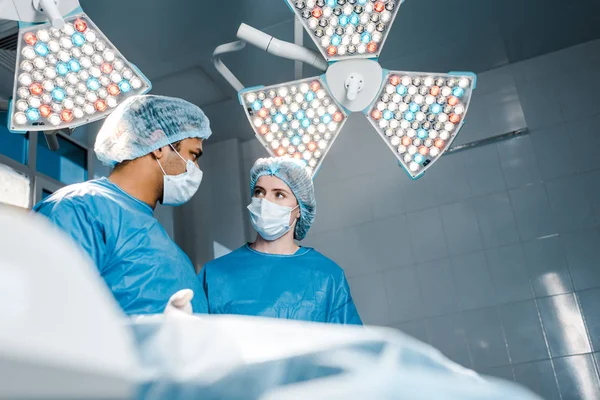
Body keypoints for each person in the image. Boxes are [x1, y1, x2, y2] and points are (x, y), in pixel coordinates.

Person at [34, 94, 211, 315]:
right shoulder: (78, 209)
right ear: (159, 145)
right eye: (193, 155)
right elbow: (48, 315)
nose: (196, 168)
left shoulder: (174, 254)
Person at [200, 157, 362, 325]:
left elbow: (351, 348)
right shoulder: (214, 274)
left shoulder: (327, 276)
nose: (265, 201)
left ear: (300, 209)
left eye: (279, 194)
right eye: (259, 192)